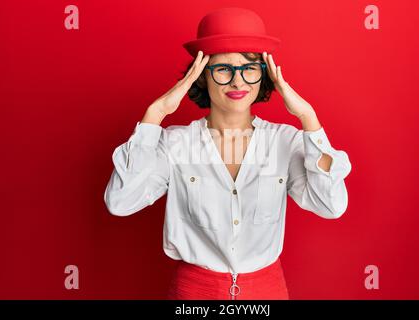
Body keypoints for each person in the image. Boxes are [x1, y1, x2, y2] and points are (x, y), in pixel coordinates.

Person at [104, 7, 352, 300]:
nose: (238, 81)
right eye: (223, 69)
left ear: (265, 75)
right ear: (200, 76)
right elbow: (120, 202)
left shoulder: (285, 142)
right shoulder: (175, 144)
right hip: (193, 295)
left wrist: (308, 118)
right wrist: (155, 114)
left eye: (249, 68)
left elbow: (331, 205)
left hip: (267, 294)